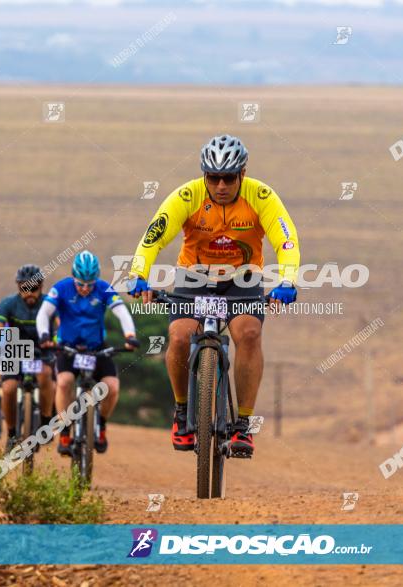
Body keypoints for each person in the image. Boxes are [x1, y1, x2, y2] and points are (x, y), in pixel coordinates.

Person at [127, 134, 300, 458]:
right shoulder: (186, 196)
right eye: (213, 177)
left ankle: (242, 426)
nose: (221, 185)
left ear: (242, 174)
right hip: (194, 275)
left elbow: (286, 242)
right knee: (179, 337)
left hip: (242, 277)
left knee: (248, 333)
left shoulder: (261, 196)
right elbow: (152, 239)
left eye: (229, 178)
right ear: (204, 174)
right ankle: (181, 412)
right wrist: (138, 274)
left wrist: (288, 281)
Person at [37, 251, 139, 455]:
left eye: (89, 284)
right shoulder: (61, 288)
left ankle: (101, 425)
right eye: (81, 284)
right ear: (74, 277)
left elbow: (121, 311)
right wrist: (44, 335)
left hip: (96, 347)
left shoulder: (103, 289)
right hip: (67, 346)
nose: (85, 288)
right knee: (64, 382)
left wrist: (130, 335)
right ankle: (65, 431)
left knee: (112, 386)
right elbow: (44, 313)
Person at [0, 264, 57, 452]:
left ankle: (45, 421)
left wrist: (57, 340)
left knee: (45, 375)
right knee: (9, 388)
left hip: (42, 350)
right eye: (24, 288)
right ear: (18, 287)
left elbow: (61, 325)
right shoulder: (8, 303)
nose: (29, 293)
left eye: (34, 288)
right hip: (15, 352)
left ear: (41, 286)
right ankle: (12, 434)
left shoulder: (50, 303)